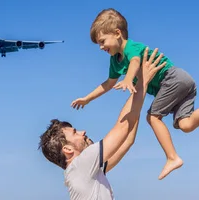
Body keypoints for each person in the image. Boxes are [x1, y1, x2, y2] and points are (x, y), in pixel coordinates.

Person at [70, 8, 199, 180]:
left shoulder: (130, 48)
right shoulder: (115, 61)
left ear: (117, 33)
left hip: (171, 78)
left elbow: (136, 61)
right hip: (182, 82)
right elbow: (108, 83)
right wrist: (87, 99)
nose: (101, 47)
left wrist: (129, 79)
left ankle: (172, 157)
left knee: (152, 117)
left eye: (102, 41)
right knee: (185, 125)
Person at [39, 47, 166, 200]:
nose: (83, 132)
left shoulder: (86, 170)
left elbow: (127, 140)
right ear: (67, 149)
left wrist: (139, 89)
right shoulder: (81, 164)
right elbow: (123, 127)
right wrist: (142, 81)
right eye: (75, 133)